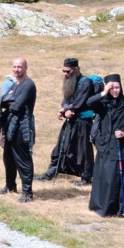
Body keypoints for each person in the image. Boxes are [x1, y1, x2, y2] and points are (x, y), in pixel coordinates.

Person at [35, 57, 95, 186]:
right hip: (71, 120)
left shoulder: (86, 83)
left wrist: (71, 110)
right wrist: (62, 109)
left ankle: (86, 177)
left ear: (76, 69)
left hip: (84, 121)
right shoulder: (69, 82)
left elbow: (80, 101)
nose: (65, 74)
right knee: (60, 146)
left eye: (67, 71)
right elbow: (67, 99)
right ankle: (52, 171)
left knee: (84, 150)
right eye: (64, 71)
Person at [86, 75, 124, 217]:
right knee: (102, 177)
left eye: (117, 87)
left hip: (120, 146)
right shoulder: (103, 104)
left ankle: (118, 209)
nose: (115, 90)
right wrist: (104, 92)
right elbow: (89, 102)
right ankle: (99, 205)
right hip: (104, 146)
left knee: (115, 179)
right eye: (112, 88)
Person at [0, 57, 37, 202]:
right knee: (8, 158)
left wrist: (7, 103)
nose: (16, 69)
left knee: (23, 159)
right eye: (14, 67)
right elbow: (7, 100)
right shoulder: (15, 84)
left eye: (19, 67)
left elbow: (17, 105)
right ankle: (10, 186)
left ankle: (27, 192)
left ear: (25, 68)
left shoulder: (28, 84)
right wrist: (6, 102)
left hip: (22, 127)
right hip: (10, 126)